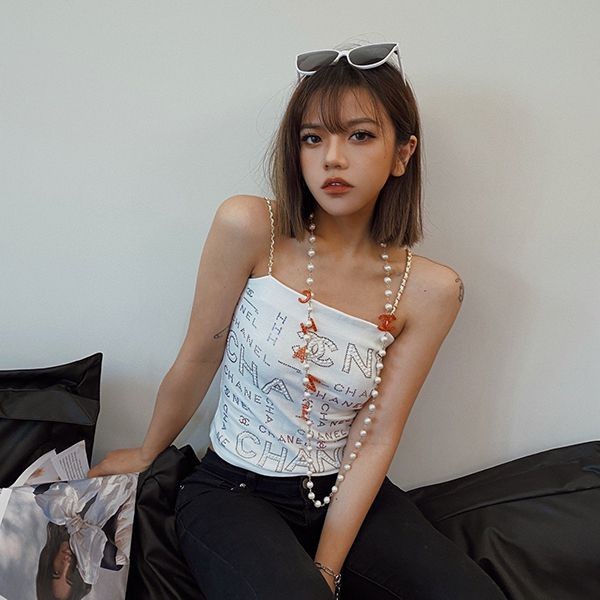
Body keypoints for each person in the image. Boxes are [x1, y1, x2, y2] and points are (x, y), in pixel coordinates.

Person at [89, 41, 506, 599]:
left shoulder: (430, 290)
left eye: (360, 136)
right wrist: (147, 450)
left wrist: (327, 568)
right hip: (232, 492)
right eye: (313, 138)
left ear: (403, 153)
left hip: (345, 491)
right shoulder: (251, 226)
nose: (332, 158)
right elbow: (200, 354)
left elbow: (376, 437)